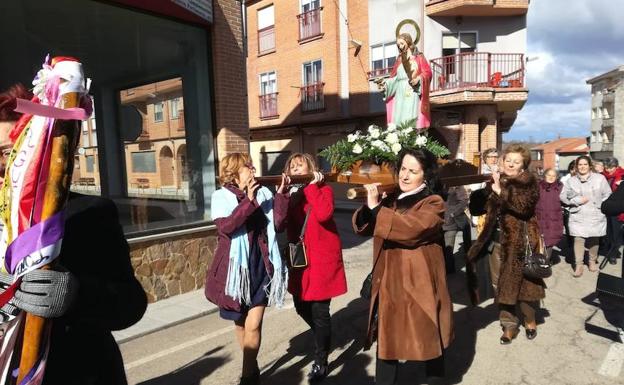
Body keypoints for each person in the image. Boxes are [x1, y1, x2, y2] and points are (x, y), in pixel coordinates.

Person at [0, 84, 148, 385]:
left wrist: (77, 293)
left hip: (79, 371)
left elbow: (130, 304)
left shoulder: (90, 211)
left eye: (9, 152)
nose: (3, 165)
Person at [353, 148, 453, 384]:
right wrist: (370, 209)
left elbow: (410, 230)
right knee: (387, 342)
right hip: (389, 281)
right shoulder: (392, 197)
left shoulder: (433, 202)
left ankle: (435, 380)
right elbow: (368, 227)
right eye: (403, 169)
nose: (405, 176)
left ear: (425, 176)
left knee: (429, 336)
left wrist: (378, 209)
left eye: (413, 171)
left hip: (419, 284)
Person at [204, 153, 289, 385]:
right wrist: (249, 201)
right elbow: (227, 227)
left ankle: (247, 377)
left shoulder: (263, 193)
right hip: (237, 271)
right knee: (241, 324)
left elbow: (279, 225)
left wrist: (281, 194)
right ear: (234, 171)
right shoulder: (220, 196)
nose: (253, 169)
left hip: (262, 265)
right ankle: (253, 368)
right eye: (248, 166)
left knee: (254, 324)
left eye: (252, 165)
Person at [275, 153, 347, 381]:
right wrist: (282, 195)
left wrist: (312, 186)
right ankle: (323, 336)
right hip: (301, 262)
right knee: (300, 305)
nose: (296, 170)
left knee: (320, 311)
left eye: (300, 167)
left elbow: (324, 213)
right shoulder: (291, 195)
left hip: (323, 261)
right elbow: (279, 223)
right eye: (292, 167)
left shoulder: (322, 189)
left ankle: (321, 359)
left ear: (311, 168)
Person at [467, 145, 545, 344]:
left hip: (520, 243)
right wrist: (481, 191)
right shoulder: (495, 181)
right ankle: (509, 325)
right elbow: (477, 210)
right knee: (499, 286)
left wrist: (500, 191)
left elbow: (523, 208)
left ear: (522, 166)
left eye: (516, 161)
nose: (510, 164)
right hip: (496, 242)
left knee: (524, 285)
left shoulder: (529, 182)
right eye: (508, 160)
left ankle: (529, 319)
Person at [560, 156, 612, 277]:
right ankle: (578, 265)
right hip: (578, 214)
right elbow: (563, 196)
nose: (582, 167)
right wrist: (577, 200)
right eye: (580, 165)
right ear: (576, 167)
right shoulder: (571, 181)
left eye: (585, 164)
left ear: (589, 166)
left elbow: (608, 194)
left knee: (595, 239)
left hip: (595, 214)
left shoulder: (600, 178)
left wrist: (599, 204)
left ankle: (592, 261)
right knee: (578, 240)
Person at [377, 33, 432, 130]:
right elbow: (395, 78)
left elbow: (427, 73)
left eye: (402, 43)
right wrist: (385, 86)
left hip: (411, 91)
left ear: (408, 42)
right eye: (398, 45)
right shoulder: (399, 59)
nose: (400, 46)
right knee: (398, 118)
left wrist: (418, 79)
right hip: (399, 93)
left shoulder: (419, 57)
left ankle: (411, 137)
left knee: (410, 117)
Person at [536, 168, 564, 261]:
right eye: (549, 175)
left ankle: (545, 262)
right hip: (539, 217)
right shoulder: (538, 186)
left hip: (554, 219)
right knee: (538, 240)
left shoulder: (560, 187)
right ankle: (537, 261)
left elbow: (566, 200)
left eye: (554, 175)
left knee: (550, 240)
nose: (551, 177)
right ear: (544, 176)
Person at [442, 185, 471, 274]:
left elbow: (464, 202)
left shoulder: (456, 185)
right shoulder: (436, 182)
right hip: (439, 222)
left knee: (448, 250)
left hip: (450, 223)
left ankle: (449, 271)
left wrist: (453, 213)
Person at [602, 157, 624, 264]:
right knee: (607, 232)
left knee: (616, 233)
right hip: (606, 207)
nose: (609, 170)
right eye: (607, 168)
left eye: (611, 168)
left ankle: (613, 254)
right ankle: (608, 248)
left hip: (617, 209)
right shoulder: (603, 176)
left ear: (616, 166)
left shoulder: (622, 175)